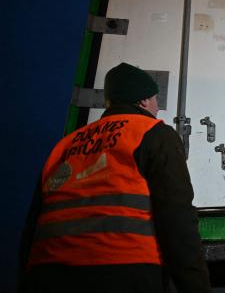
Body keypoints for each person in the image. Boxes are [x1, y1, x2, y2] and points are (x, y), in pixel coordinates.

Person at [19, 62, 211, 293]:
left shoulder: (65, 144)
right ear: (143, 101)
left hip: (45, 276)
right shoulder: (152, 132)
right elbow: (177, 218)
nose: (158, 109)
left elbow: (31, 228)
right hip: (124, 272)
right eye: (155, 101)